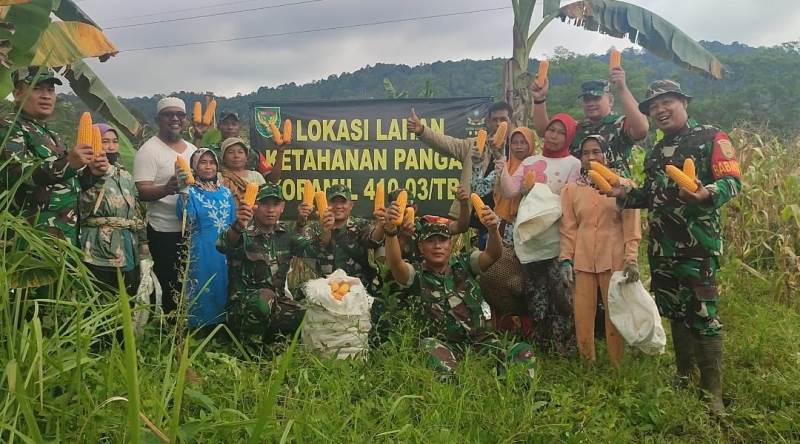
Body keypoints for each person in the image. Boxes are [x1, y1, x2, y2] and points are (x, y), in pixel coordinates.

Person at [604, 80, 742, 414]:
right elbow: (653, 196)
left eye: (667, 102)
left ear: (683, 101)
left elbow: (732, 181)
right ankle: (684, 373)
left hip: (698, 246)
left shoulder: (711, 137)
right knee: (675, 312)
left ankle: (713, 392)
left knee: (703, 316)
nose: (660, 110)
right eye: (653, 106)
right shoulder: (656, 152)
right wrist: (624, 194)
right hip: (663, 248)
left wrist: (707, 193)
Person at [382, 204, 535, 375]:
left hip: (481, 341)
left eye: (442, 240)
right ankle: (453, 379)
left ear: (450, 244)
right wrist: (390, 233)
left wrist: (493, 230)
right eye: (430, 241)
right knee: (429, 347)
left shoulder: (465, 263)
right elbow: (395, 264)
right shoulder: (416, 274)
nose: (437, 246)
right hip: (444, 345)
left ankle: (513, 382)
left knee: (522, 351)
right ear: (420, 248)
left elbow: (493, 255)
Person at [559, 135, 641, 367]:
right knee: (582, 313)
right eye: (586, 153)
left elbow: (631, 227)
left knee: (615, 312)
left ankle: (617, 364)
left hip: (614, 258)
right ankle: (587, 363)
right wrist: (565, 259)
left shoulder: (625, 188)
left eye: (596, 151)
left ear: (607, 155)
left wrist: (631, 259)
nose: (591, 157)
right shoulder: (571, 190)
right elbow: (569, 227)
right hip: (583, 259)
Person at [503, 113, 581, 354]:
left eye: (560, 132)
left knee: (562, 294)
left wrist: (537, 193)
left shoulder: (573, 164)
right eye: (550, 130)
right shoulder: (530, 162)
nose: (554, 136)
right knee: (536, 293)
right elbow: (509, 192)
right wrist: (501, 165)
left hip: (558, 239)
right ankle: (541, 344)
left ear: (568, 137)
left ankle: (564, 345)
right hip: (532, 240)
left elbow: (570, 200)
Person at [218, 183, 323, 344]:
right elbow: (223, 245)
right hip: (244, 308)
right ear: (255, 206)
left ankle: (275, 345)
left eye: (275, 204)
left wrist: (316, 226)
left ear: (282, 207)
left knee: (310, 315)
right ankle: (249, 352)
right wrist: (238, 224)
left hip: (277, 304)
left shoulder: (286, 234)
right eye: (264, 204)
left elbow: (315, 253)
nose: (270, 209)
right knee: (264, 299)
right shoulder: (243, 233)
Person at [0, 67, 92, 245]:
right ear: (17, 94)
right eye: (36, 88)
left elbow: (69, 182)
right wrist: (68, 163)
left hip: (64, 238)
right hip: (30, 240)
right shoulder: (8, 126)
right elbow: (15, 173)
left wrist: (92, 172)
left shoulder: (51, 135)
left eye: (50, 90)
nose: (46, 95)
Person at [407, 102, 512, 246]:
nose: (499, 123)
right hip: (470, 224)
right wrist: (422, 131)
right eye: (495, 119)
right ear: (488, 121)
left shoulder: (517, 151)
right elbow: (447, 144)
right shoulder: (474, 146)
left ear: (511, 122)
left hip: (502, 224)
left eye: (503, 119)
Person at [134, 97, 198, 313]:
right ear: (158, 119)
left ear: (185, 120)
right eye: (168, 114)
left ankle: (191, 323)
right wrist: (168, 188)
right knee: (169, 281)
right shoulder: (149, 151)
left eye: (179, 115)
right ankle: (170, 328)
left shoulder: (192, 150)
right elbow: (142, 192)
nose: (174, 119)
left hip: (193, 230)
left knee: (192, 279)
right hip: (164, 230)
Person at [531, 67, 648, 176]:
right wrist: (539, 99)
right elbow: (544, 133)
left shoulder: (619, 124)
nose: (591, 103)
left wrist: (622, 88)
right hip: (579, 192)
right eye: (587, 99)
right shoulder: (577, 128)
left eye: (596, 98)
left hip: (615, 192)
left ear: (610, 100)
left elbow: (641, 129)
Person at [79, 123, 149, 293]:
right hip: (99, 247)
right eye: (104, 141)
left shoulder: (124, 175)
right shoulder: (84, 173)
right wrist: (96, 177)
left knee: (128, 296)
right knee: (103, 295)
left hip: (129, 247)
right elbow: (81, 208)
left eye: (114, 141)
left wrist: (143, 243)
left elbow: (136, 211)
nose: (110, 147)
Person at [176, 149, 236, 329]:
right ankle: (200, 329)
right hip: (202, 249)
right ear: (194, 166)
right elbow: (187, 219)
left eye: (212, 162)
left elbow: (233, 221)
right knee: (202, 285)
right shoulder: (190, 192)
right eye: (203, 162)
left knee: (225, 284)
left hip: (225, 250)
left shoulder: (226, 192)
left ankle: (224, 328)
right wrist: (183, 192)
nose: (208, 166)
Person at [309, 184, 384, 293]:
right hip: (326, 292)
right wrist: (325, 230)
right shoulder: (315, 228)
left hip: (358, 290)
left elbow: (372, 241)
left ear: (351, 205)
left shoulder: (361, 225)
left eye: (343, 202)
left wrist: (381, 224)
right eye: (333, 202)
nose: (338, 206)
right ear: (327, 205)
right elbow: (311, 250)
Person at [194, 110, 285, 183]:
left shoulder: (253, 154)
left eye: (234, 124)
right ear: (219, 126)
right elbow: (194, 164)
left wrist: (280, 152)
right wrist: (198, 136)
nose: (230, 127)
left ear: (239, 126)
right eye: (226, 124)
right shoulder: (210, 151)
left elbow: (273, 179)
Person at [219, 137, 266, 205]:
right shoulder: (219, 177)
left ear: (246, 157)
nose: (236, 156)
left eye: (240, 152)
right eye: (231, 152)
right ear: (224, 158)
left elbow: (264, 200)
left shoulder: (256, 176)